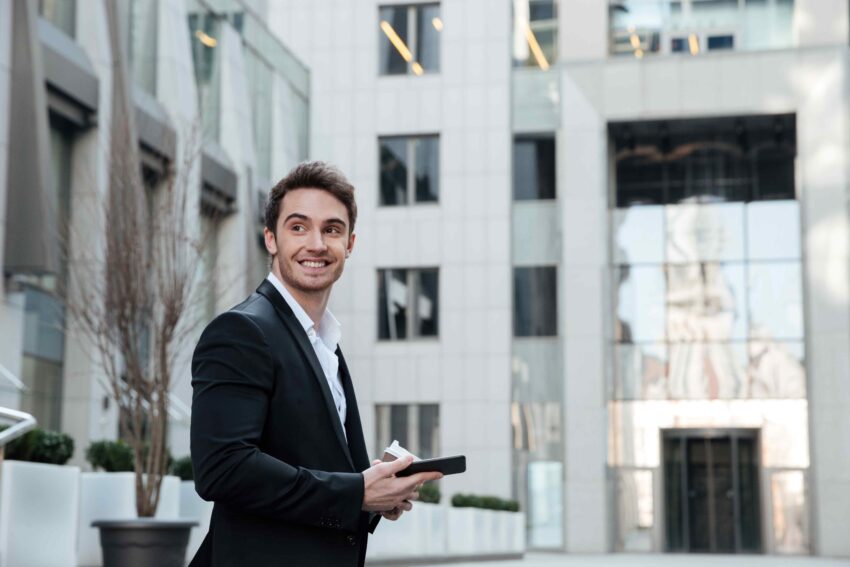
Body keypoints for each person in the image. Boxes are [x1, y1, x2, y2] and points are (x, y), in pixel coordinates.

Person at [189, 161, 441, 566]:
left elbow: (311, 466)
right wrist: (354, 492)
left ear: (350, 244)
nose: (317, 244)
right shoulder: (241, 331)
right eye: (298, 227)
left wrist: (374, 493)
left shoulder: (326, 344)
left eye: (332, 230)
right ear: (270, 238)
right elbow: (222, 468)